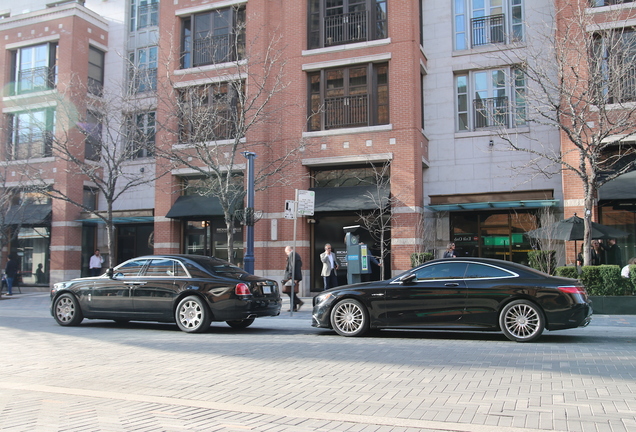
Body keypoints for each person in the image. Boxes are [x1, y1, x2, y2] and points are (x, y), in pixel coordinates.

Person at [282, 246, 303, 312]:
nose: (286, 254)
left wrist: (291, 276)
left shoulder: (292, 255)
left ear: (289, 250)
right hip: (296, 276)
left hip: (293, 276)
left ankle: (298, 302)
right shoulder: (296, 255)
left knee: (288, 291)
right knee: (292, 291)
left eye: (286, 252)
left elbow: (291, 266)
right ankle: (294, 307)